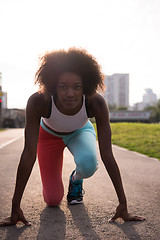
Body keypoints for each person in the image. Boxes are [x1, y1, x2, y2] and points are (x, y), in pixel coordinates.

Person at [0, 48, 145, 226]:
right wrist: (15, 207)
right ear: (53, 86)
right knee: (52, 200)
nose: (70, 93)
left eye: (77, 87)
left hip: (80, 131)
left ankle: (76, 179)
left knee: (89, 163)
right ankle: (57, 190)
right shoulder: (38, 101)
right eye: (63, 87)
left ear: (86, 86)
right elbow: (29, 154)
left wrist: (123, 204)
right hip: (48, 137)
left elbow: (107, 154)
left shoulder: (96, 103)